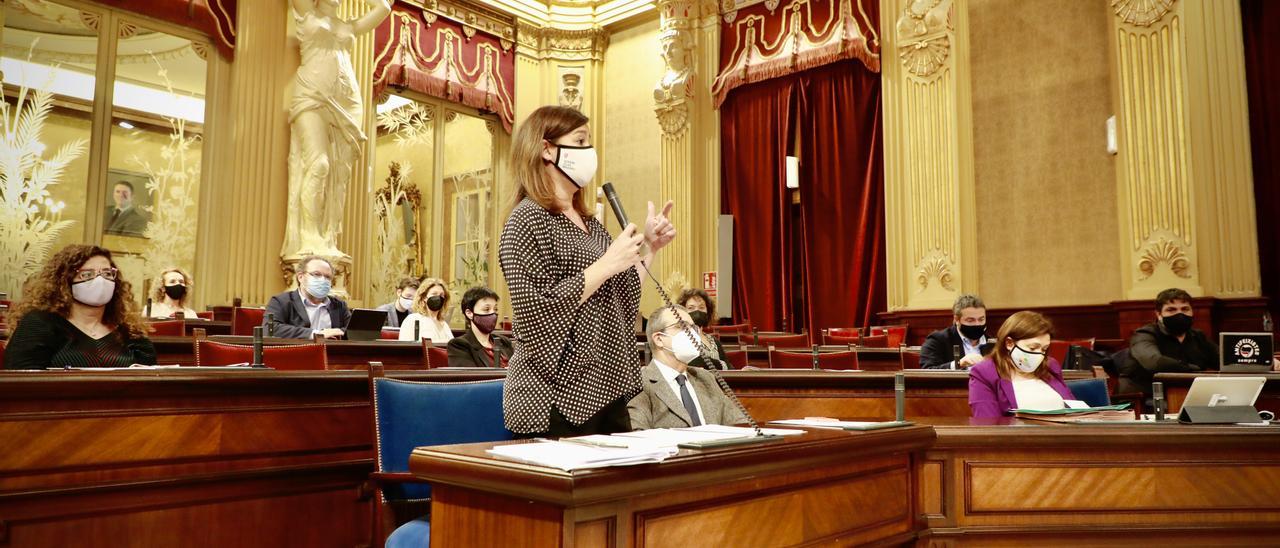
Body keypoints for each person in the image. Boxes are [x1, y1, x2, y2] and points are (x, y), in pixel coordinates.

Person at [499, 105, 676, 438]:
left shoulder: (591, 225)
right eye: (580, 140)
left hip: (604, 385)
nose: (589, 151)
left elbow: (619, 294)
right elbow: (536, 311)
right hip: (554, 398)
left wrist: (649, 248)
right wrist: (608, 262)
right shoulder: (525, 221)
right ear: (546, 149)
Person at [282, 0, 390, 257]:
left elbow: (384, 8)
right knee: (319, 164)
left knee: (340, 174)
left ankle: (329, 236)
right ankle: (309, 236)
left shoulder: (348, 25)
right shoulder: (306, 14)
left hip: (347, 101)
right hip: (312, 94)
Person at [4, 245, 156, 369]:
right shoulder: (40, 323)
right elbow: (22, 384)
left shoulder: (129, 331)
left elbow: (150, 382)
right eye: (87, 274)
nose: (100, 280)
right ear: (64, 282)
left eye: (107, 273)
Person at [628, 306, 747, 430]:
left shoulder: (705, 378)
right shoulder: (639, 383)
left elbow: (740, 424)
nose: (691, 333)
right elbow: (638, 435)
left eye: (693, 327)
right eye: (681, 326)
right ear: (659, 339)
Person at [968, 311, 1074, 418]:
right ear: (1009, 343)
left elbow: (1073, 408)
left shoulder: (1050, 366)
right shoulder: (984, 373)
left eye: (1044, 349)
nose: (1039, 355)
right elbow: (988, 423)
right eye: (1033, 348)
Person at [1118, 288, 1219, 397]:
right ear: (1158, 314)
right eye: (1171, 310)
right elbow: (1155, 362)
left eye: (1185, 309)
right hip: (1144, 398)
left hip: (1186, 395)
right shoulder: (1144, 334)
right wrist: (1193, 370)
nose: (1180, 314)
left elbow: (1223, 361)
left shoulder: (1198, 336)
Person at [264, 255, 351, 339]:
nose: (323, 280)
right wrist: (316, 334)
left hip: (331, 353)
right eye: (317, 274)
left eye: (327, 277)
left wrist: (337, 333)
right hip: (298, 352)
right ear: (300, 277)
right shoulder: (281, 302)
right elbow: (269, 329)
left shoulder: (339, 305)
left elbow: (354, 331)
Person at [446, 287, 514, 368]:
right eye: (486, 309)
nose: (493, 313)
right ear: (469, 313)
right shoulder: (459, 345)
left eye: (495, 309)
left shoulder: (504, 342)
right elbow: (470, 378)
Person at [921, 293, 989, 369]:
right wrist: (958, 364)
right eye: (970, 320)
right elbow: (927, 370)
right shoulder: (938, 340)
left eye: (981, 319)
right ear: (957, 320)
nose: (977, 324)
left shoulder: (993, 343)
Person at [677, 287, 729, 369]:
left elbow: (728, 366)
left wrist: (742, 371)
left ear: (708, 311)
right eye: (691, 308)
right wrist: (721, 364)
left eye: (701, 307)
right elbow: (695, 361)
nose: (697, 311)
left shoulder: (714, 341)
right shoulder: (680, 338)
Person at [398, 278, 453, 343]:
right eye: (434, 294)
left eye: (441, 295)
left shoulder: (443, 324)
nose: (438, 298)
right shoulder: (413, 319)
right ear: (424, 297)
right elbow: (405, 347)